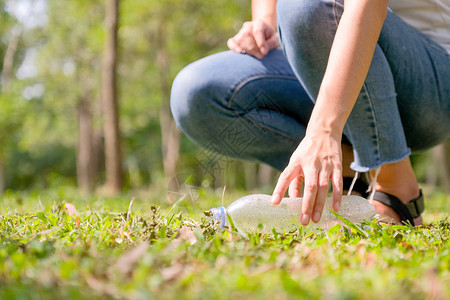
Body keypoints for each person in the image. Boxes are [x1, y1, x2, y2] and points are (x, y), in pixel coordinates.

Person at [170, 0, 450, 226]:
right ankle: (353, 175)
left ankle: (395, 184)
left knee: (308, 6)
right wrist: (265, 19)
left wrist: (323, 129)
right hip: (324, 55)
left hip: (428, 83)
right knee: (196, 92)